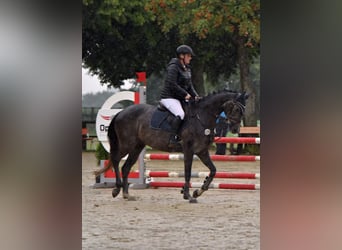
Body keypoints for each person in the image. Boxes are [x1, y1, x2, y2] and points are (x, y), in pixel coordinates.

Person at [160, 45, 200, 146]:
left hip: (179, 98)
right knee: (180, 114)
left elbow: (190, 86)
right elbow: (172, 84)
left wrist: (195, 96)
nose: (190, 58)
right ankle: (173, 138)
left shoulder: (187, 69)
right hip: (169, 97)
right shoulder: (173, 67)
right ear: (182, 56)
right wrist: (185, 94)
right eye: (189, 56)